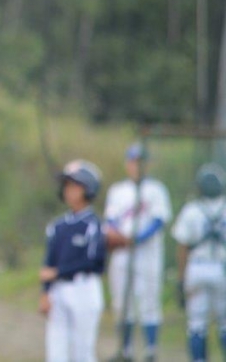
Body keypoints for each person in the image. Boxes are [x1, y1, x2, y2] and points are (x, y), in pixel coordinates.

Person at [104, 142, 172, 362]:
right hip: (122, 253)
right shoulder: (117, 190)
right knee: (122, 303)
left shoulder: (156, 189)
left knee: (149, 301)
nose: (137, 166)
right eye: (133, 161)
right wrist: (122, 238)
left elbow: (159, 220)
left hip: (148, 253)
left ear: (148, 165)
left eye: (141, 162)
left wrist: (137, 238)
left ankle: (151, 350)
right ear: (128, 164)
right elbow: (111, 220)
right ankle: (126, 351)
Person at [39, 159, 107, 362]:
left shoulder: (92, 224)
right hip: (59, 290)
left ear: (88, 189)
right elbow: (49, 261)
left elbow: (94, 261)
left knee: (82, 352)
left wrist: (59, 272)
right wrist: (45, 291)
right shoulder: (58, 226)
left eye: (75, 186)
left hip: (84, 288)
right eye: (67, 185)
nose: (69, 190)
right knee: (56, 351)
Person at [171, 163, 226, 362]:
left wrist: (181, 279)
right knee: (224, 322)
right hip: (222, 268)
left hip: (197, 268)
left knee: (196, 323)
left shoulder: (191, 210)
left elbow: (182, 247)